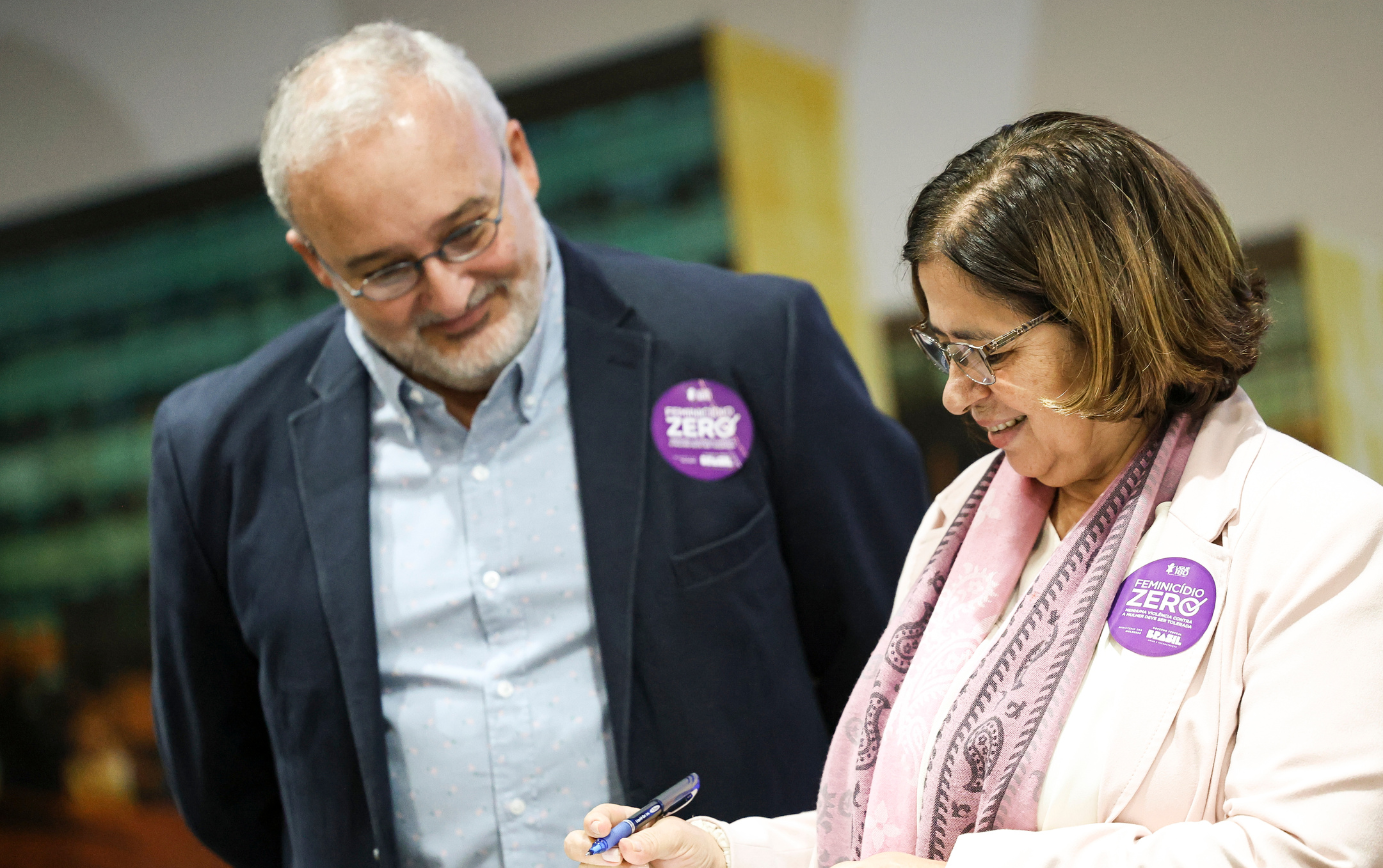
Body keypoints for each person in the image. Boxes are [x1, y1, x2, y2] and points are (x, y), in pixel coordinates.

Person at [148, 23, 928, 868]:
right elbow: (225, 787)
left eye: (468, 230)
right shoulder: (217, 451)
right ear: (317, 264)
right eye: (384, 270)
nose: (448, 292)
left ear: (519, 159)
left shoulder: (751, 348)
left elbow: (911, 665)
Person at [564, 112, 1383, 868]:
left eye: (990, 352)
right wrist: (722, 851)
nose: (955, 392)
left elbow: (1321, 852)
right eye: (944, 350)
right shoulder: (966, 516)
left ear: (1118, 317)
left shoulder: (1330, 533)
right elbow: (900, 825)